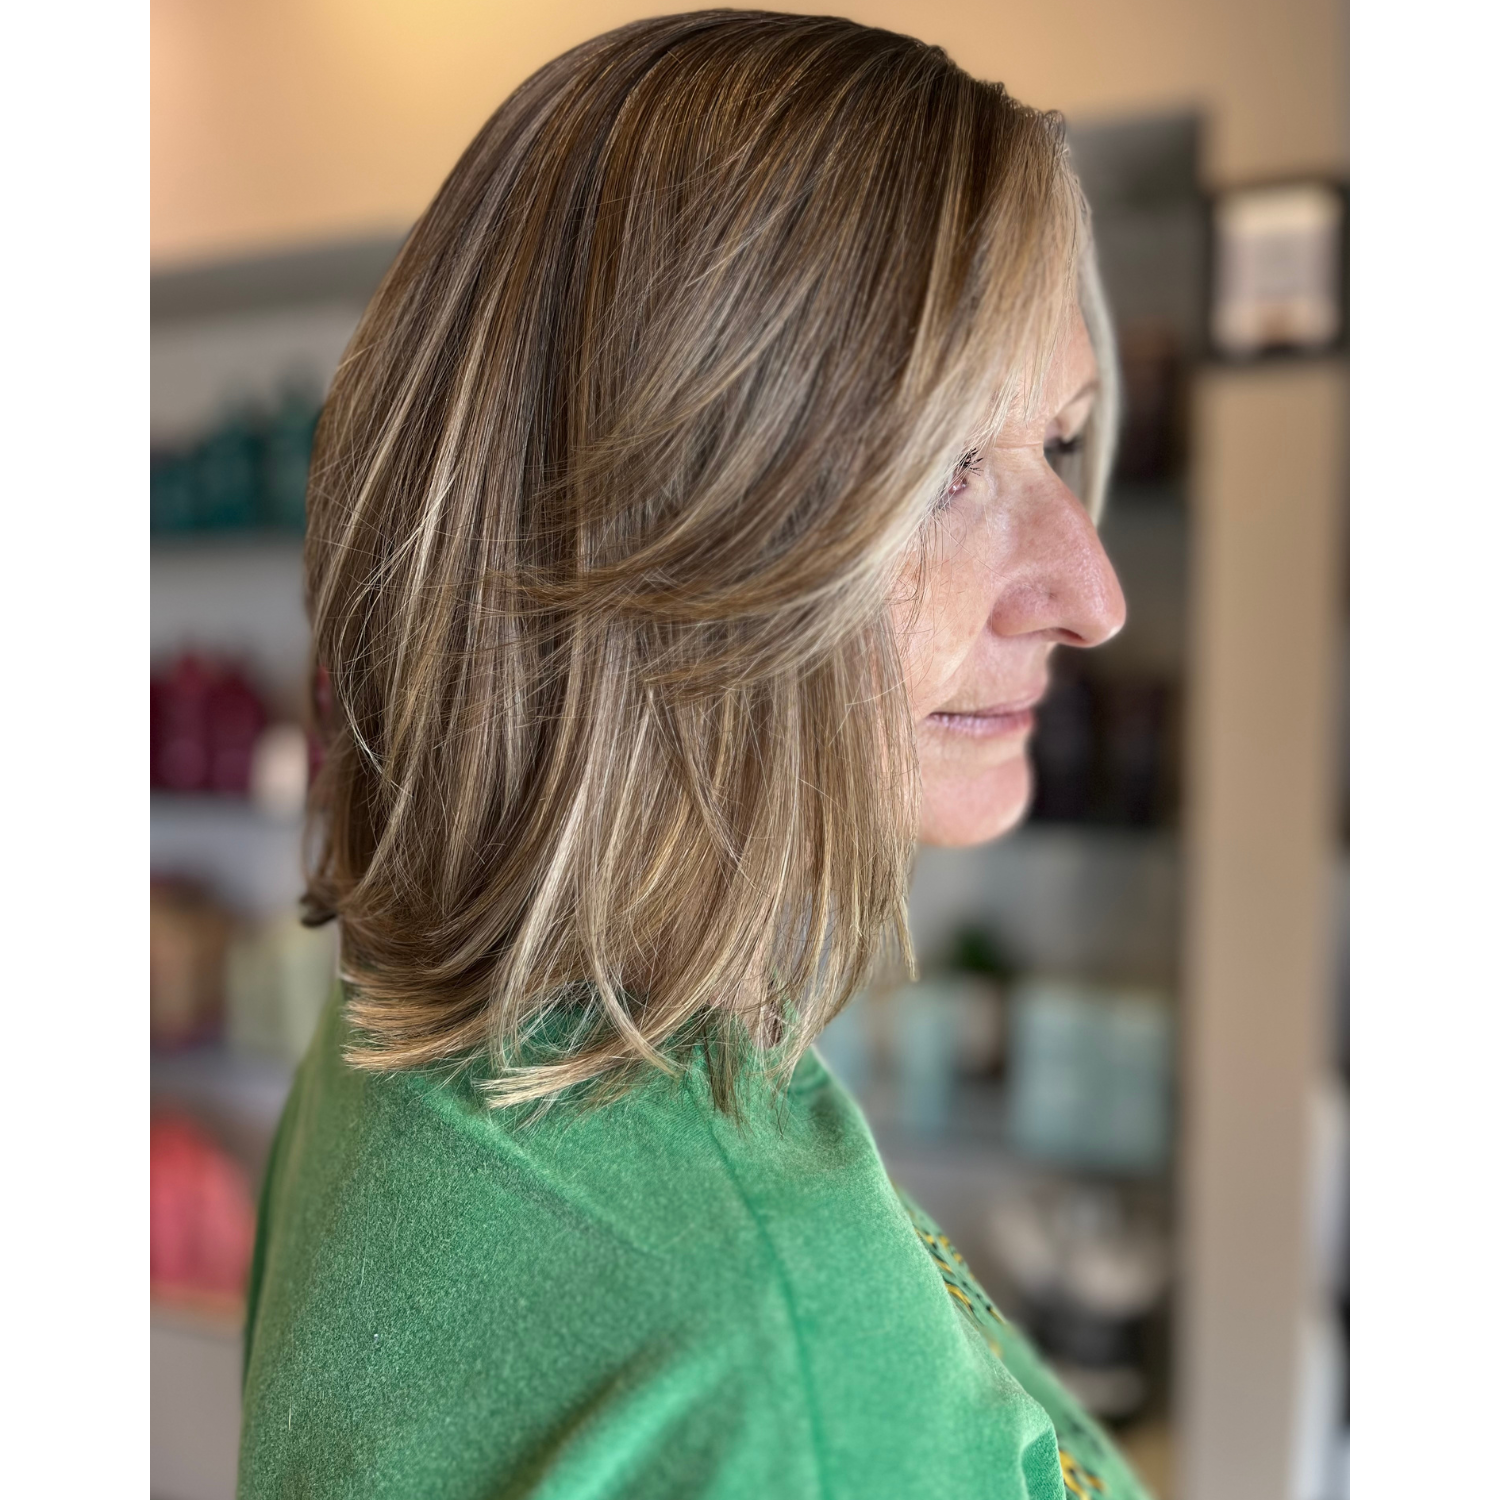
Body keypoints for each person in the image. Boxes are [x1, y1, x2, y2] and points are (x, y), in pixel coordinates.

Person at [239, 12, 1141, 1497]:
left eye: (1058, 441)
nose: (1090, 593)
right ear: (645, 532)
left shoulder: (405, 1052)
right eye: (941, 469)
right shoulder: (775, 1370)